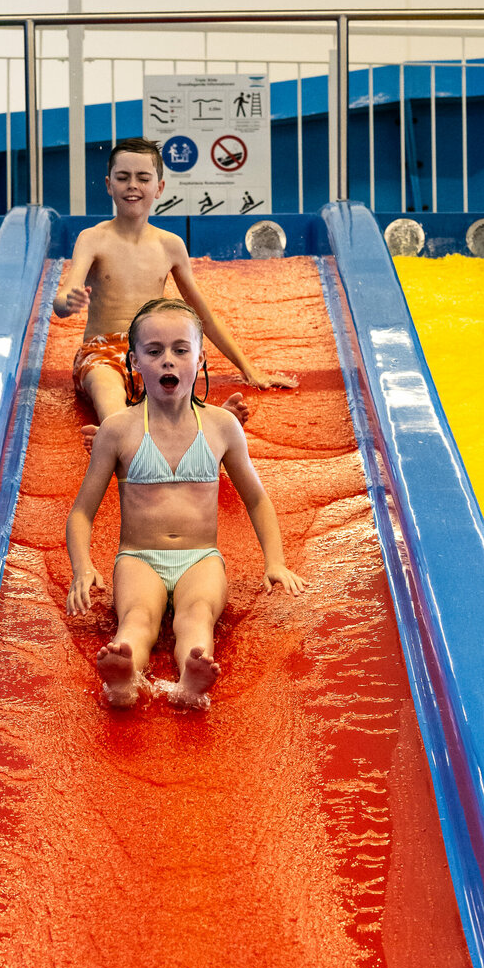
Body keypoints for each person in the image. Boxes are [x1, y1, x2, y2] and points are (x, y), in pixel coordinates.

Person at [65, 298, 305, 709]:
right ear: (134, 362)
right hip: (139, 556)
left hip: (201, 557)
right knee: (137, 617)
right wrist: (82, 568)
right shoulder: (118, 431)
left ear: (200, 357)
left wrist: (275, 561)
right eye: (154, 351)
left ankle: (191, 679)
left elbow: (257, 500)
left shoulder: (220, 426)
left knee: (197, 615)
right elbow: (81, 512)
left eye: (181, 349)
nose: (168, 361)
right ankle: (123, 672)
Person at [54, 137, 295, 450]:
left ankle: (207, 425)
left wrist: (248, 369)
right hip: (102, 353)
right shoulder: (93, 239)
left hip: (154, 350)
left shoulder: (169, 245)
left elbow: (200, 315)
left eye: (143, 178)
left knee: (176, 385)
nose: (132, 186)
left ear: (159, 187)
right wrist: (67, 302)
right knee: (107, 391)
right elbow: (63, 298)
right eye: (123, 177)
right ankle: (115, 433)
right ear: (108, 184)